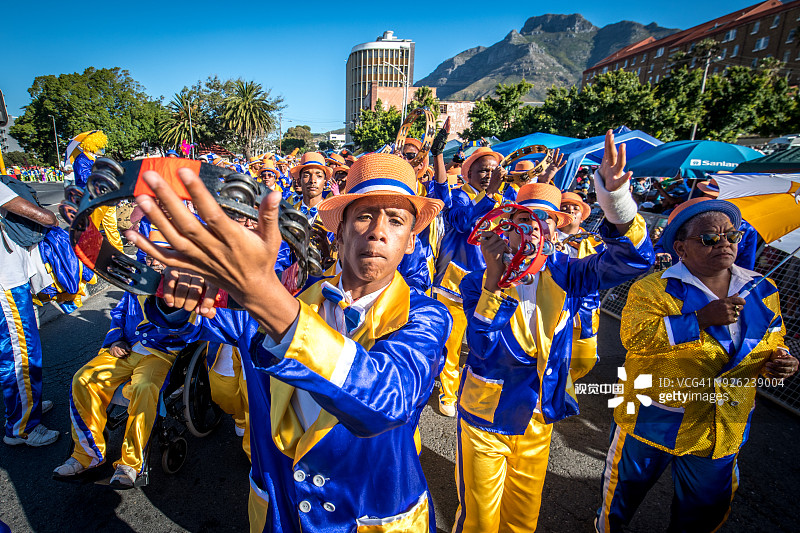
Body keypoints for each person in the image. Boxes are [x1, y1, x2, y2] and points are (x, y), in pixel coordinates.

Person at [126, 152, 451, 532]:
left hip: (374, 516)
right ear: (340, 232)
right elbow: (194, 327)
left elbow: (385, 400)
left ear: (412, 242)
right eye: (364, 216)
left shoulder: (427, 316)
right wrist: (177, 293)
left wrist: (268, 298)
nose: (378, 231)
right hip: (280, 511)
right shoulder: (295, 295)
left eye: (395, 220)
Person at [454, 131, 654, 533]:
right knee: (479, 521)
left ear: (557, 230)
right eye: (524, 219)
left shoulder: (569, 271)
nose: (534, 230)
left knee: (523, 521)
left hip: (538, 419)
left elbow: (635, 261)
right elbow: (482, 347)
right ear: (507, 223)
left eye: (545, 220)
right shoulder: (477, 281)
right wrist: (495, 280)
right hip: (484, 418)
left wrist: (617, 201)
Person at [595, 196, 798, 533]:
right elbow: (635, 339)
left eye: (732, 236)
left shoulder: (763, 288)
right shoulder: (654, 289)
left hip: (722, 428)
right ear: (681, 248)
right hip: (653, 421)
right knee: (621, 501)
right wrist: (699, 319)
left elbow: (773, 338)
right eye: (709, 238)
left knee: (702, 515)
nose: (724, 244)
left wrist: (779, 361)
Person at [52, 231, 189, 487]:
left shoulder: (184, 288)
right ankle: (87, 455)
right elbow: (118, 313)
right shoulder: (135, 282)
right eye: (149, 257)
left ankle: (130, 463)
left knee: (144, 387)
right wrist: (115, 339)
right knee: (83, 378)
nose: (153, 263)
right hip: (125, 349)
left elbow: (191, 329)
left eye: (160, 258)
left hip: (161, 354)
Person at [1, 178, 60, 447]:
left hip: (12, 281)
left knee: (20, 352)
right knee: (20, 354)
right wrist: (49, 216)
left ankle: (25, 408)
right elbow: (43, 216)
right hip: (6, 284)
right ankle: (23, 426)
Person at [558, 191, 605, 381]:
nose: (570, 210)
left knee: (584, 360)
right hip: (555, 304)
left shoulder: (595, 241)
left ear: (582, 214)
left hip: (585, 307)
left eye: (575, 207)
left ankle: (564, 385)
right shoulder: (547, 237)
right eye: (565, 207)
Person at [73, 131, 124, 252]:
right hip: (92, 198)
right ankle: (89, 252)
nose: (101, 148)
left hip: (105, 197)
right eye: (99, 146)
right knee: (92, 227)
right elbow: (86, 178)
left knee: (111, 227)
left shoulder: (94, 159)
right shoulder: (82, 160)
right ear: (93, 144)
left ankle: (119, 252)